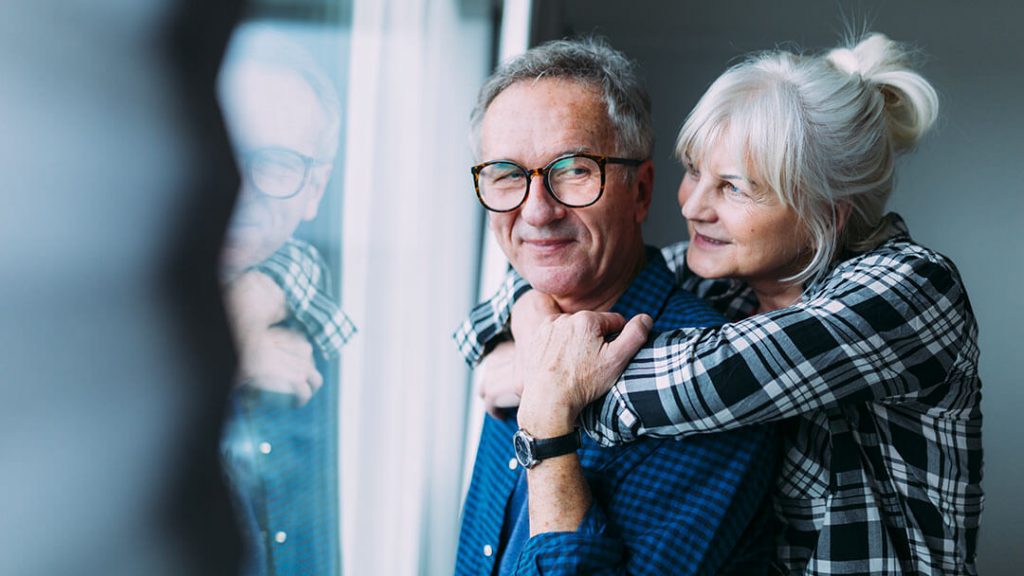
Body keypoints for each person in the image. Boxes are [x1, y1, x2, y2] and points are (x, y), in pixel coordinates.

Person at [457, 33, 984, 575]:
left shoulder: (910, 288)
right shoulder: (725, 280)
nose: (692, 204)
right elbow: (522, 288)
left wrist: (543, 387)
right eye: (694, 170)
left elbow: (712, 380)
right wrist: (530, 328)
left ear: (826, 210)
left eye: (734, 187)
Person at [454, 38, 778, 575]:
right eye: (507, 175)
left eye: (574, 169)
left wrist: (546, 424)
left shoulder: (711, 390)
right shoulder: (521, 336)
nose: (536, 211)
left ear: (641, 191)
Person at [217, 29, 355, 576]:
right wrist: (223, 348)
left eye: (274, 165)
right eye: (229, 150)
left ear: (314, 189)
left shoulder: (321, 314)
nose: (241, 187)